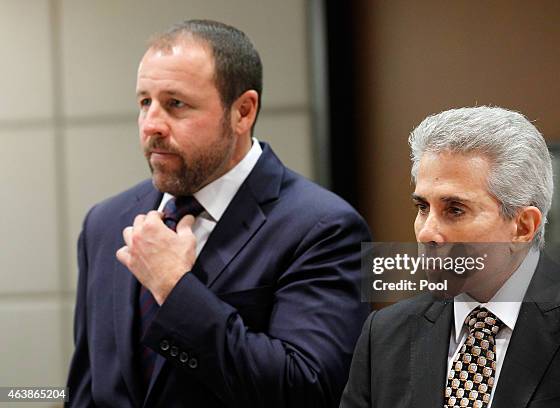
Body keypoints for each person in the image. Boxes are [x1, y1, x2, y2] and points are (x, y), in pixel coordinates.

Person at [66, 19, 370, 408]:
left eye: (176, 104)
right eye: (145, 102)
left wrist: (175, 289)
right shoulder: (104, 223)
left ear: (243, 112)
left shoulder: (328, 228)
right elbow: (86, 390)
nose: (151, 125)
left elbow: (308, 389)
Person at [340, 106, 560, 407]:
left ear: (523, 226)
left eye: (454, 210)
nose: (427, 232)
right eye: (422, 207)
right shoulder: (385, 334)